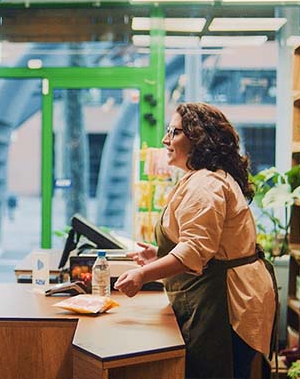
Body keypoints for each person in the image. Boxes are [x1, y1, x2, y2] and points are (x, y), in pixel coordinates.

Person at [114, 102, 277, 379]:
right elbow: (207, 244)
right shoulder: (200, 178)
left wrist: (142, 275)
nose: (166, 139)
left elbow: (195, 250)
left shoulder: (206, 184)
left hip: (226, 302)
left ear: (198, 138)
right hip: (226, 294)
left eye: (174, 132)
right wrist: (159, 256)